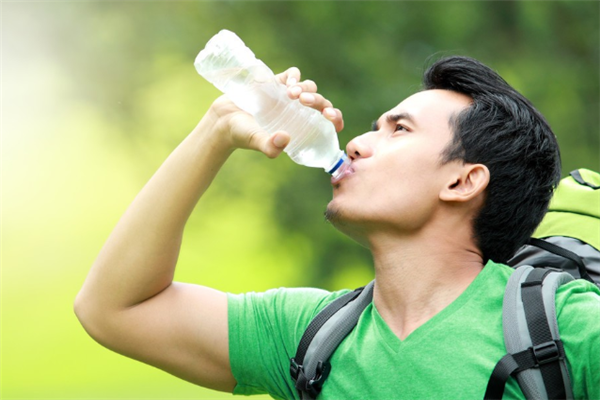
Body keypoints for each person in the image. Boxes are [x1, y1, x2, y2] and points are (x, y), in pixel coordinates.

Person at [74, 56, 600, 399]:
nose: (356, 143)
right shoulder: (312, 337)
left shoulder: (564, 330)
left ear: (463, 182)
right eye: (374, 128)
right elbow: (115, 308)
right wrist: (215, 130)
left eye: (399, 130)